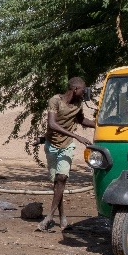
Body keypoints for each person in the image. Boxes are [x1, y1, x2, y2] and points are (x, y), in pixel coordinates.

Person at [37, 77, 94, 233]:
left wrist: (100, 123)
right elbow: (52, 124)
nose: (85, 92)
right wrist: (77, 136)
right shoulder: (55, 101)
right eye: (83, 89)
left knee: (62, 178)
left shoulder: (78, 104)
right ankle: (62, 218)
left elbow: (81, 120)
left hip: (67, 145)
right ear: (75, 89)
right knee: (57, 183)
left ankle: (49, 216)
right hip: (52, 145)